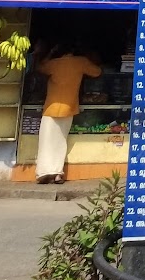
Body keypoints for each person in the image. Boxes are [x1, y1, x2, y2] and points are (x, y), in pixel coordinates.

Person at [34, 44, 101, 184]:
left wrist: (48, 54)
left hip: (51, 107)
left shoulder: (53, 64)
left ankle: (44, 173)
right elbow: (97, 72)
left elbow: (39, 68)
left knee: (46, 142)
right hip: (69, 107)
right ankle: (58, 173)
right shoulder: (80, 62)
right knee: (61, 141)